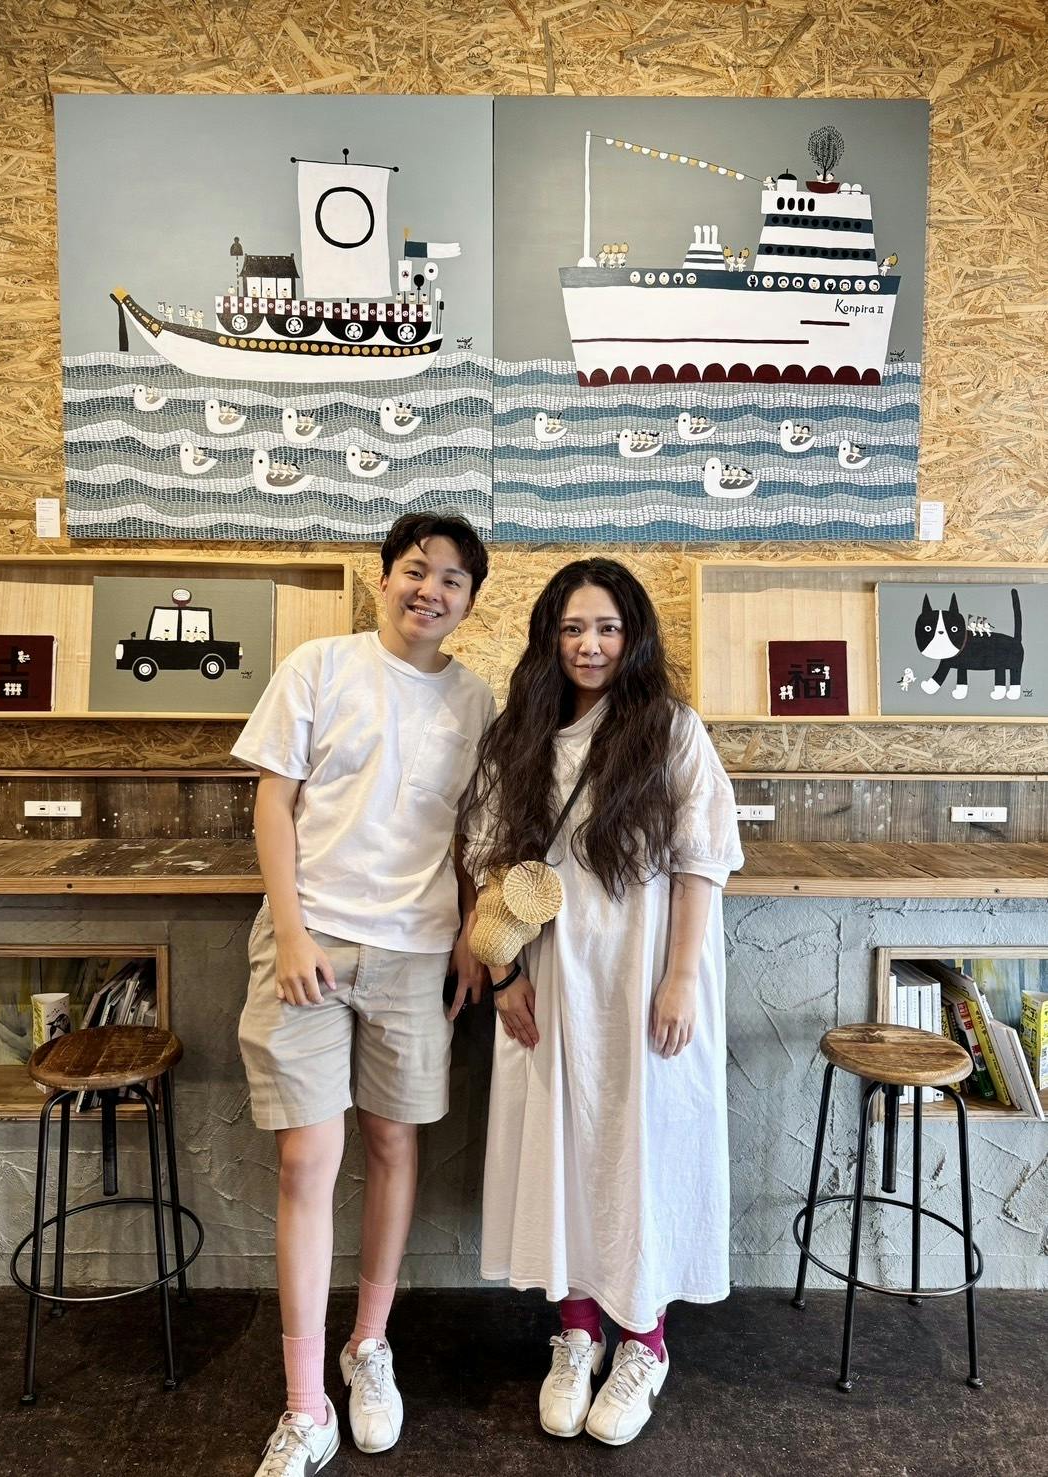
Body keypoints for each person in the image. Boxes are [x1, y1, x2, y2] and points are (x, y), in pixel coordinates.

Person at [233, 513, 494, 1476]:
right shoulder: (319, 665)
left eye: (453, 579)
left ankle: (368, 1343)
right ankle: (305, 1404)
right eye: (417, 570)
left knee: (393, 1143)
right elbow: (272, 799)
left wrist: (472, 933)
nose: (431, 589)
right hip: (308, 944)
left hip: (417, 953)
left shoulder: (476, 698)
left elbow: (473, 830)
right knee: (308, 1158)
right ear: (384, 578)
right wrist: (293, 928)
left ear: (470, 600)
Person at [463, 557, 743, 1447]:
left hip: (643, 972)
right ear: (550, 637)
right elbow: (485, 859)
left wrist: (680, 976)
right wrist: (503, 975)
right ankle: (577, 1330)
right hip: (550, 973)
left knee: (640, 1143)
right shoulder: (520, 733)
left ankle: (644, 1341)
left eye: (609, 628)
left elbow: (702, 861)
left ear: (635, 637)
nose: (590, 644)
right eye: (574, 627)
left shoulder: (671, 731)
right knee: (563, 1143)